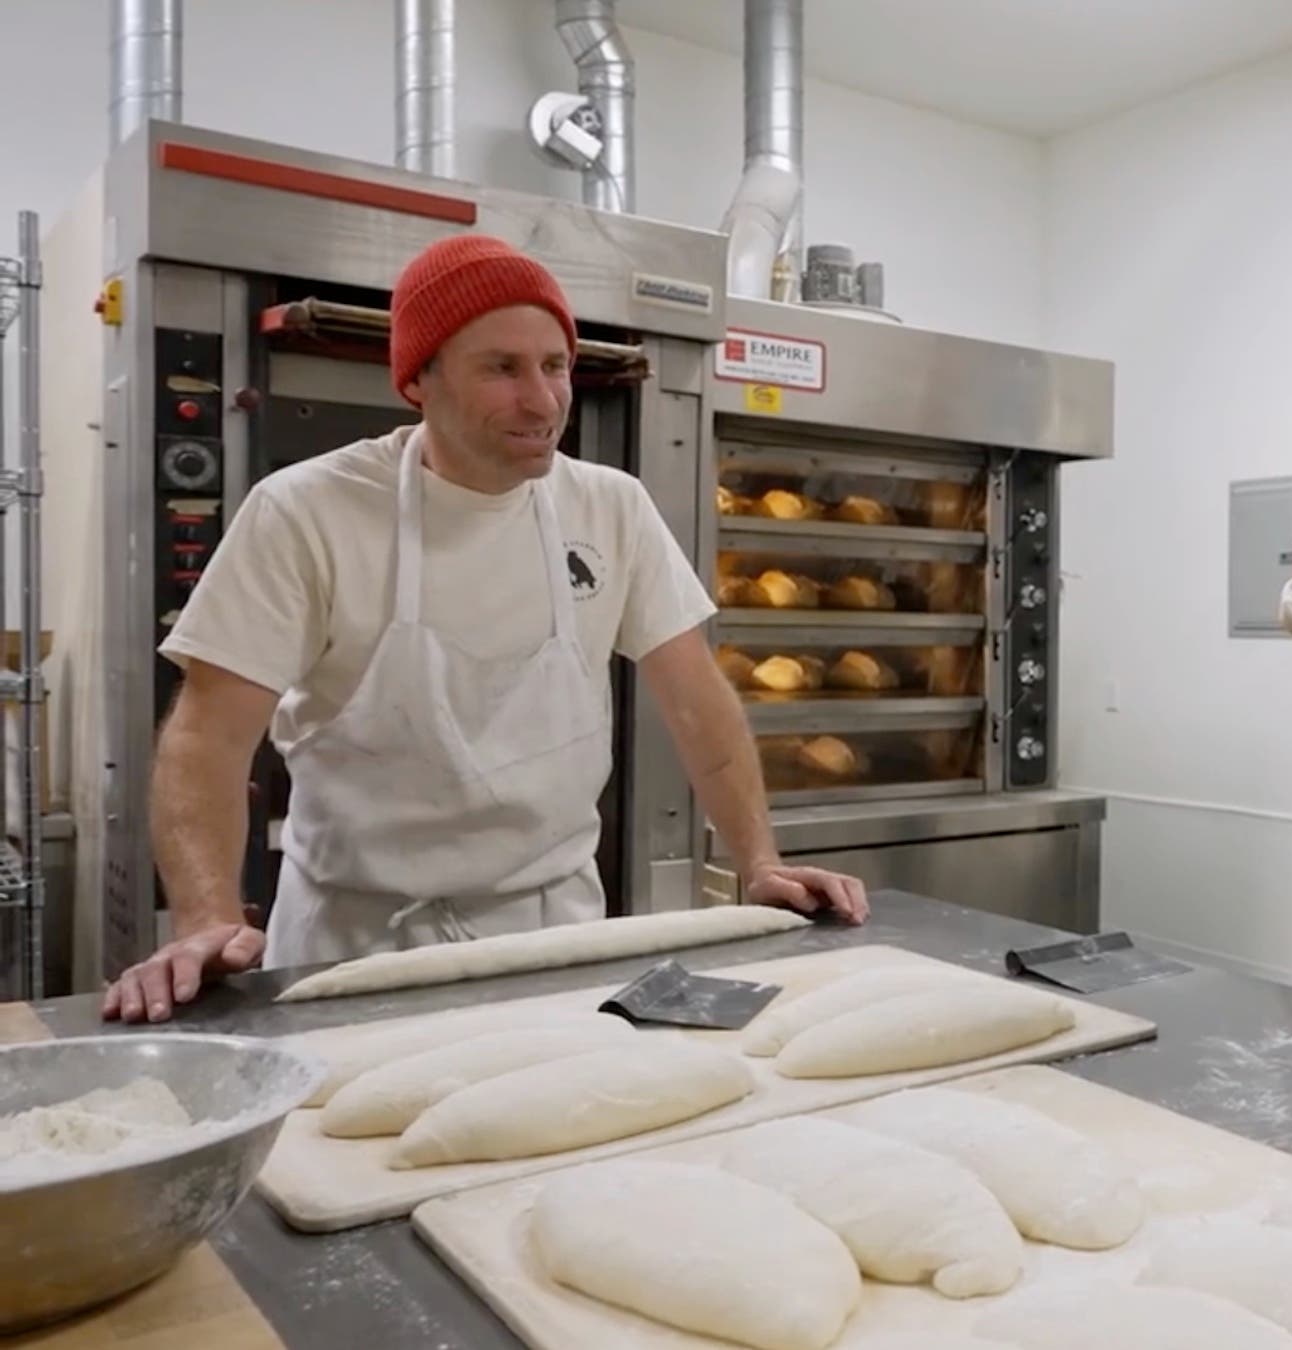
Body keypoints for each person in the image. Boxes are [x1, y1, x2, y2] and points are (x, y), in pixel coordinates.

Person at [103, 235, 868, 1022]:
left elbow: (695, 698)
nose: (542, 402)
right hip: (353, 946)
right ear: (419, 381)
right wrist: (205, 922)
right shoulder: (307, 512)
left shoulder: (611, 508)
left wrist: (759, 861)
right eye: (501, 369)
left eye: (555, 366)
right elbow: (208, 737)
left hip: (552, 941)